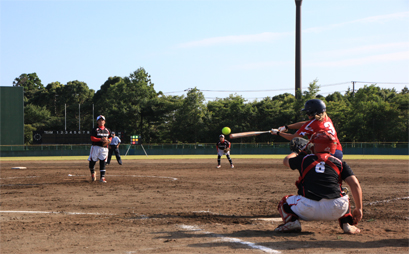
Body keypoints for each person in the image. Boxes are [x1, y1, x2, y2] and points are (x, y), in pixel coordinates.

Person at [275, 131, 363, 234]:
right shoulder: (340, 162)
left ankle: (292, 222)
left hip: (307, 209)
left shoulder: (304, 159)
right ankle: (347, 224)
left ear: (316, 145)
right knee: (344, 195)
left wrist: (296, 152)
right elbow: (355, 184)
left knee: (285, 201)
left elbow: (286, 161)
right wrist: (359, 208)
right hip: (336, 210)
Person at [271, 99, 344, 160]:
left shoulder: (311, 124)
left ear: (311, 112)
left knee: (300, 146)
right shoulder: (327, 119)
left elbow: (293, 137)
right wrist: (287, 127)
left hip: (323, 153)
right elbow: (306, 123)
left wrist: (278, 133)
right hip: (337, 151)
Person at [88, 115, 112, 183]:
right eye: (99, 120)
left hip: (104, 148)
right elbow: (92, 138)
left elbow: (110, 137)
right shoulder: (95, 129)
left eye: (102, 120)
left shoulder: (107, 130)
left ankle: (102, 177)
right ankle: (93, 172)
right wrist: (100, 139)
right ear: (97, 122)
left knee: (103, 161)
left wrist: (108, 140)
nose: (101, 121)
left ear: (105, 122)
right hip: (95, 147)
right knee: (92, 161)